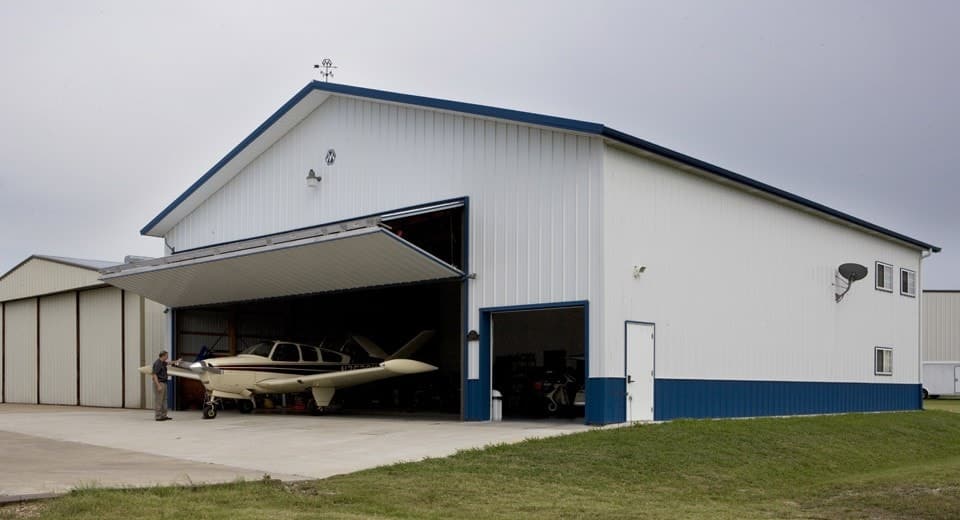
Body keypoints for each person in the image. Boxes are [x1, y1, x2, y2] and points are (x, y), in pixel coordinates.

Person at [152, 350, 181, 421]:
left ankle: (164, 415)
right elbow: (154, 375)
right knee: (159, 400)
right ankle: (158, 416)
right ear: (163, 356)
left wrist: (177, 361)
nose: (167, 357)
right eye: (167, 355)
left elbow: (169, 363)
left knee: (164, 400)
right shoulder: (158, 363)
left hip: (164, 383)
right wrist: (158, 385)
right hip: (160, 383)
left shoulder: (163, 363)